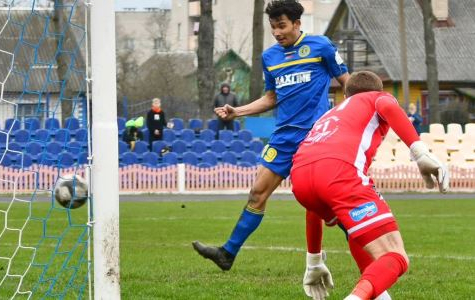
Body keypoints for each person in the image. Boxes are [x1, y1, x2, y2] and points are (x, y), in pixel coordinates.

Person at [192, 0, 349, 281]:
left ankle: (363, 239)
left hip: (315, 136)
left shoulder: (321, 47)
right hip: (283, 137)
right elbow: (271, 97)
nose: (277, 32)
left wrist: (353, 120)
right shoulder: (270, 57)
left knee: (323, 199)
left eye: (282, 26)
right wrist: (236, 111)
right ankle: (227, 254)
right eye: (273, 27)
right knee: (257, 193)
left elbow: (349, 83)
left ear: (297, 24)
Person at [290, 71, 449, 300]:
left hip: (301, 178)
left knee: (359, 237)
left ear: (345, 95)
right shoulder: (376, 98)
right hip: (339, 173)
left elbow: (314, 204)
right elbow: (386, 104)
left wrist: (313, 260)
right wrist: (420, 152)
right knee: (395, 255)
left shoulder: (329, 116)